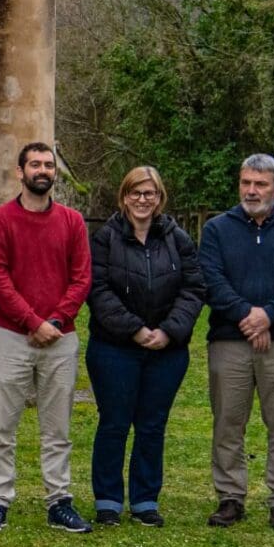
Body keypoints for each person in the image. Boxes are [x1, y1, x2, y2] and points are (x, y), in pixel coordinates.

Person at [198, 154, 274, 529]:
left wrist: (269, 314)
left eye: (261, 184)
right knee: (228, 423)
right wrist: (246, 316)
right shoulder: (218, 229)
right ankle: (230, 496)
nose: (252, 190)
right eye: (246, 182)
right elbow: (210, 280)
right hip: (229, 340)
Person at [0, 142, 94, 533]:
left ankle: (59, 500)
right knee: (2, 426)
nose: (42, 170)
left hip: (60, 338)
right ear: (20, 172)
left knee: (57, 426)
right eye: (35, 164)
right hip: (12, 335)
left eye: (48, 164)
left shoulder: (72, 221)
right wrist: (32, 321)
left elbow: (82, 278)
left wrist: (57, 321)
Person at [84, 167, 206, 527]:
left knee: (152, 425)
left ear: (159, 198)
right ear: (124, 197)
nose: (142, 199)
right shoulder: (105, 238)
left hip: (166, 351)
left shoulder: (177, 238)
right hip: (114, 348)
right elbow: (98, 290)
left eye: (149, 193)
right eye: (135, 193)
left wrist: (168, 331)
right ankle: (107, 500)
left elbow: (194, 289)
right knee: (114, 423)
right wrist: (135, 330)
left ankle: (144, 499)